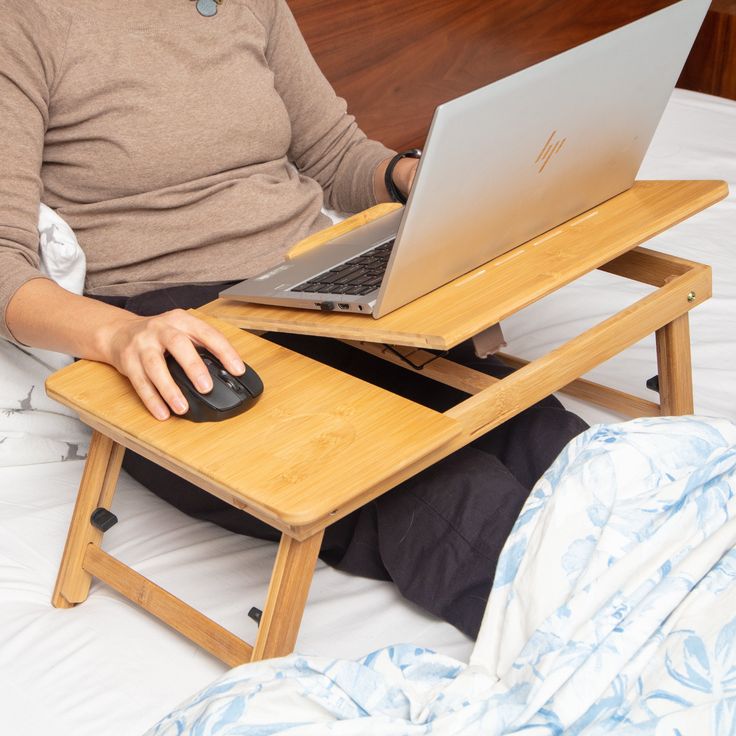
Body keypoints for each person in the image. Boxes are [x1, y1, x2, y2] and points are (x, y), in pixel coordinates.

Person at [0, 0, 586, 638]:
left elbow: (333, 154)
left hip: (313, 282)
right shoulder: (24, 22)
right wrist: (118, 334)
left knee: (535, 430)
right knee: (437, 487)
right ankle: (594, 649)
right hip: (178, 320)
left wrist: (412, 176)